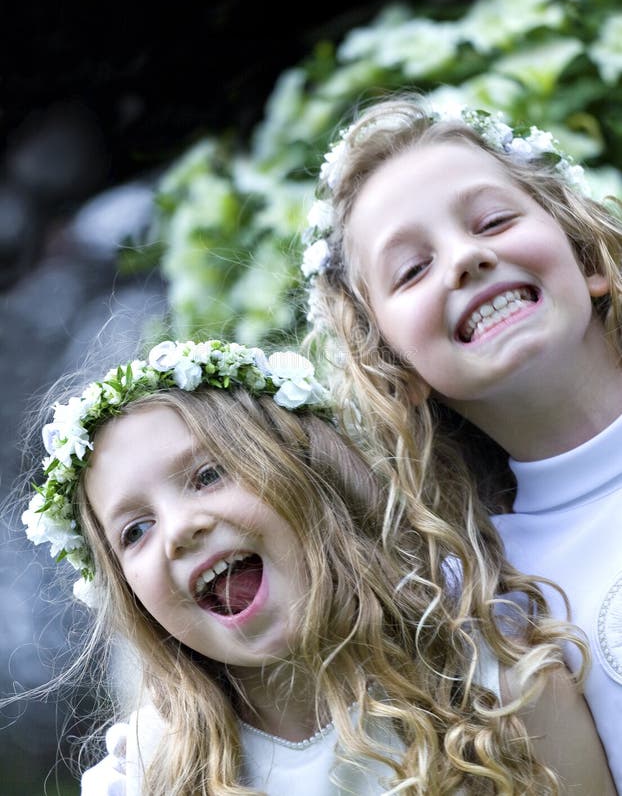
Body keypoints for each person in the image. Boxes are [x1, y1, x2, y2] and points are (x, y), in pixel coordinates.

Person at [13, 337, 614, 795]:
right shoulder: (147, 775)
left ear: (311, 475)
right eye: (135, 531)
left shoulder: (499, 683)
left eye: (208, 475)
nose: (179, 530)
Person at [302, 92, 622, 791]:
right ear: (398, 371)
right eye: (412, 270)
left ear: (587, 256)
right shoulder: (496, 607)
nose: (467, 258)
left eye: (494, 221)